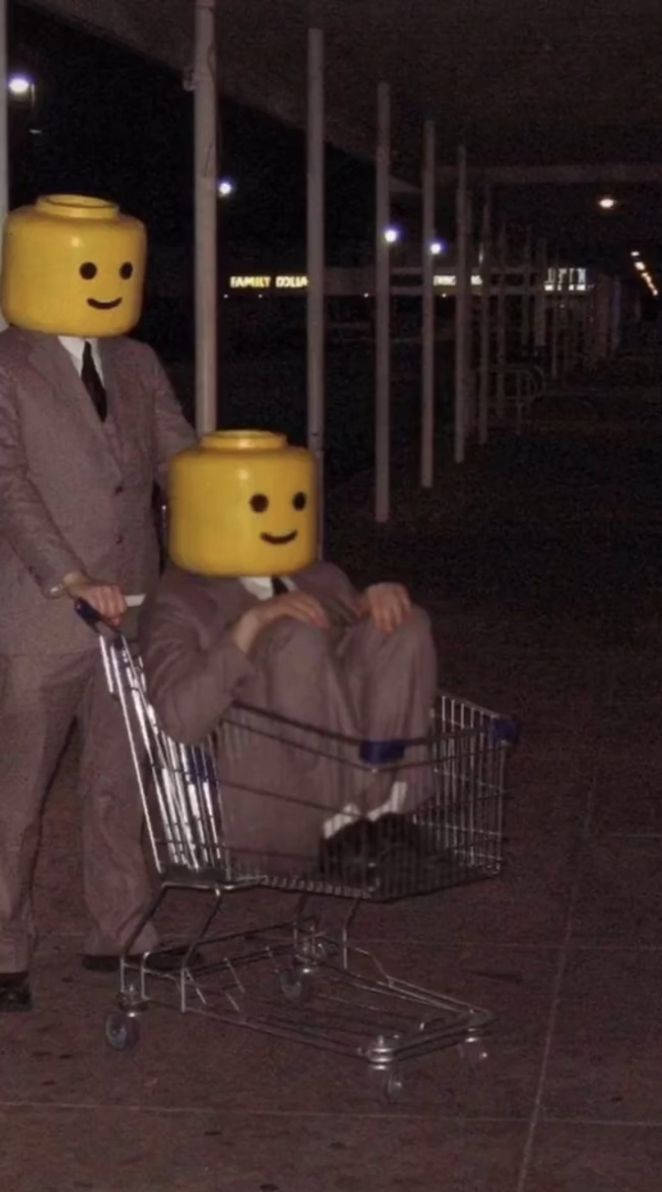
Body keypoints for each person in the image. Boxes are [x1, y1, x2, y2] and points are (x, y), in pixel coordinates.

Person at [0, 194, 195, 1011]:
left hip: (135, 605)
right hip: (42, 615)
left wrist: (246, 535)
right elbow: (7, 485)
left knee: (121, 780)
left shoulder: (138, 362)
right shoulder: (6, 366)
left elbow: (178, 457)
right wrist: (69, 576)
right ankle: (5, 948)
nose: (109, 284)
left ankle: (122, 931)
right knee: (19, 788)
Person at [139, 430, 437, 878]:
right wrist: (251, 625)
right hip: (275, 785)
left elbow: (354, 651)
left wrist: (374, 600)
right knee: (294, 633)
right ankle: (347, 818)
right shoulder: (180, 600)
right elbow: (180, 720)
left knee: (404, 623)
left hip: (353, 762)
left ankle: (385, 811)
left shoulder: (316, 575)